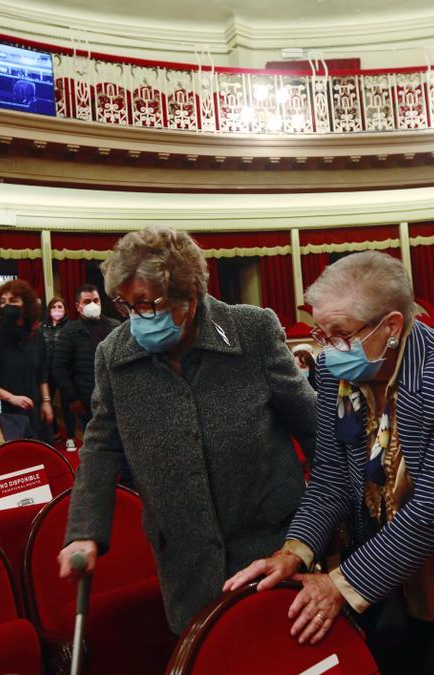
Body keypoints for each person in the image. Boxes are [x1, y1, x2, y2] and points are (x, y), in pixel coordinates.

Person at [224, 251, 434, 675]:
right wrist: (293, 552)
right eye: (321, 333)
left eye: (339, 333)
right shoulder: (336, 370)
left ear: (391, 326)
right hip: (386, 562)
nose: (327, 350)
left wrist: (338, 584)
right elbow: (332, 477)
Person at [57, 226, 317, 635]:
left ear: (190, 295)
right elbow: (101, 445)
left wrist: (327, 528)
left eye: (147, 304)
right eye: (125, 305)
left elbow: (313, 428)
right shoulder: (113, 353)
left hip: (272, 544)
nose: (135, 318)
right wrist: (85, 531)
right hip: (185, 558)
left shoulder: (252, 331)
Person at [0, 279, 54, 443]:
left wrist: (46, 402)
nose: (7, 306)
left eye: (13, 301)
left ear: (25, 305)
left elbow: (42, 372)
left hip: (35, 407)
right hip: (7, 412)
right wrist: (11, 397)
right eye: (3, 302)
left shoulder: (36, 335)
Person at [51, 284, 121, 437]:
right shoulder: (69, 332)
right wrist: (73, 398)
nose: (93, 305)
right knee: (95, 441)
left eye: (96, 300)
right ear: (78, 306)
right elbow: (59, 368)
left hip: (116, 398)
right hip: (87, 400)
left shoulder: (115, 327)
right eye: (87, 302)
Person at [41, 296, 71, 440]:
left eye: (60, 307)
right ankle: (54, 431)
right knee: (47, 402)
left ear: (65, 310)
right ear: (49, 310)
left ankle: (71, 436)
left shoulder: (70, 327)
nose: (57, 310)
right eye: (54, 307)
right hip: (46, 372)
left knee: (67, 405)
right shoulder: (42, 327)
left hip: (64, 372)